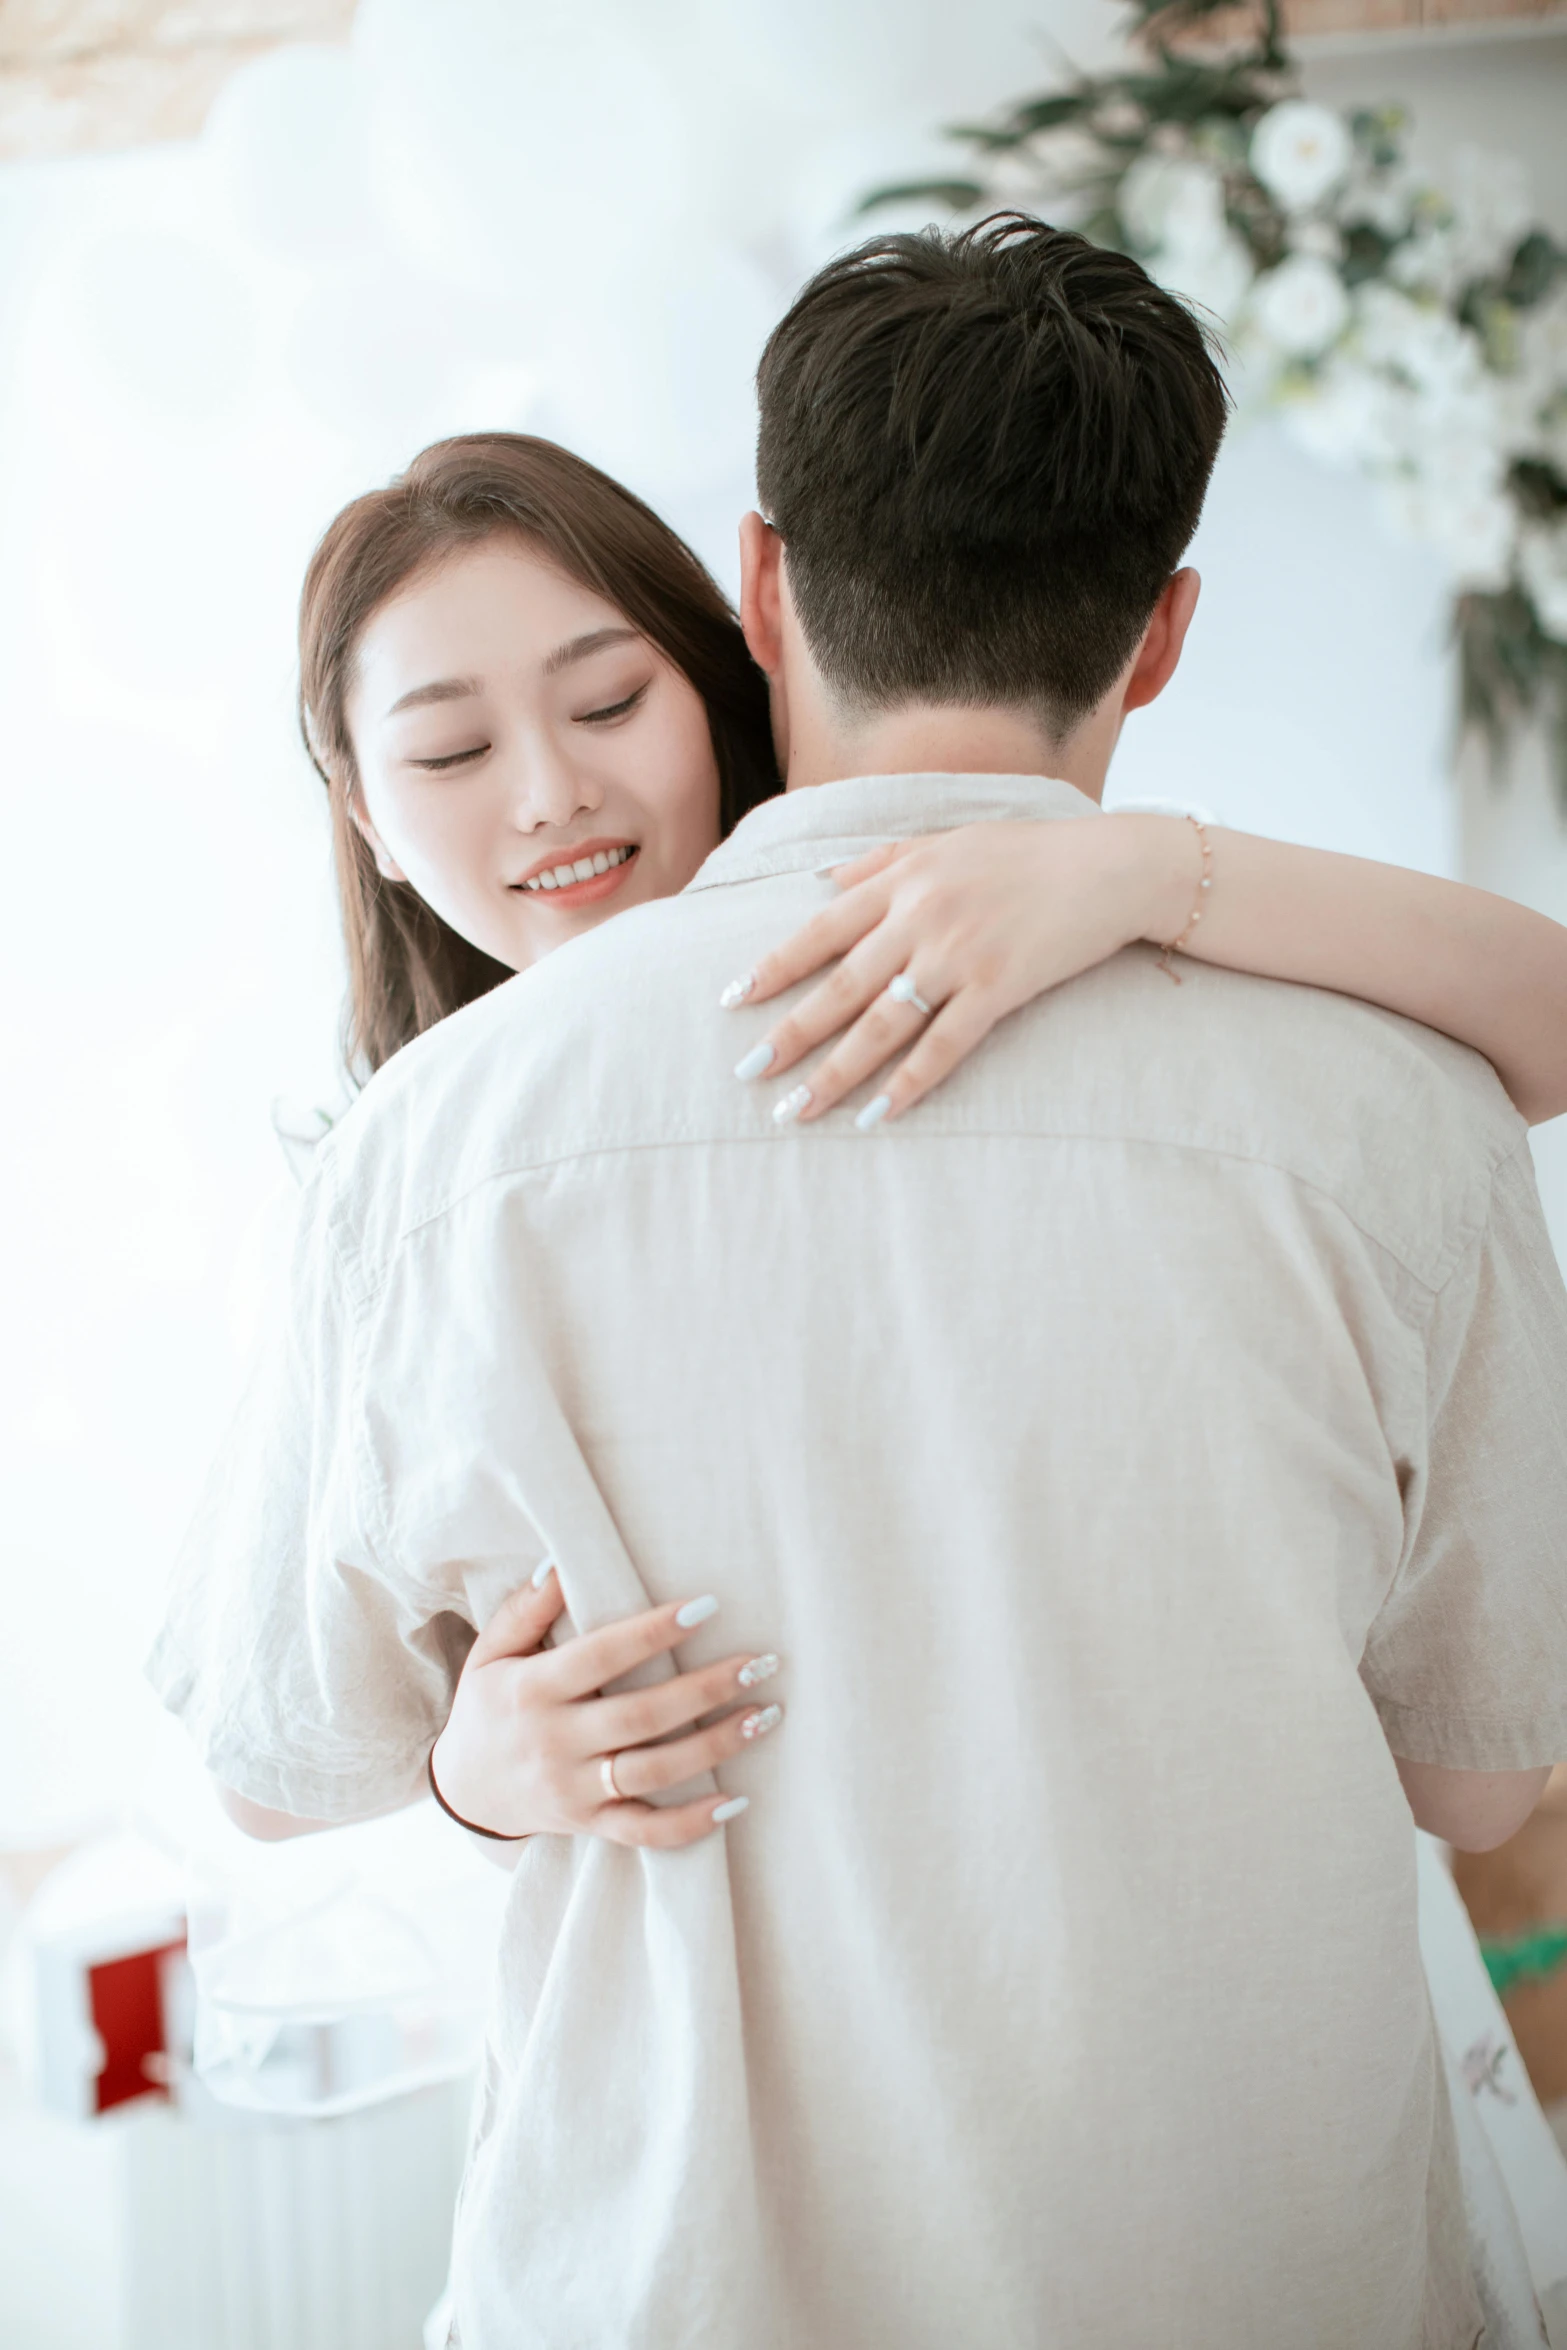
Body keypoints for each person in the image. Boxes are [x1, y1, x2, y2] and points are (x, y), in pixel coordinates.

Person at [151, 219, 1567, 2346]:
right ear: (1161, 630)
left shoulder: (433, 1159)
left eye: (605, 700)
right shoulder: (1400, 1104)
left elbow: (268, 1758)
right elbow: (1479, 1782)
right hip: (1266, 2261)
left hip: (675, 2277)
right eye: (448, 752)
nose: (550, 796)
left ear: (760, 586)